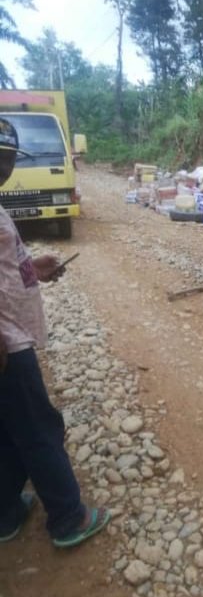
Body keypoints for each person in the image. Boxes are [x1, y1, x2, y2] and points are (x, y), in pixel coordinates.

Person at [0, 117, 110, 547]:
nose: (5, 168)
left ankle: (6, 512)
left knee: (10, 430)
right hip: (8, 341)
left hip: (11, 334)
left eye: (8, 158)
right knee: (40, 427)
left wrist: (36, 269)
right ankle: (68, 518)